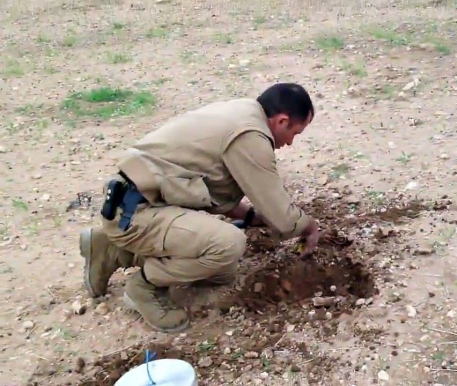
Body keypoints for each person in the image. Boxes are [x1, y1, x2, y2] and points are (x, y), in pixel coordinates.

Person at [79, 83, 321, 333]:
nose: (291, 143)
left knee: (222, 272)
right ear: (282, 121)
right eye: (296, 133)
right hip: (136, 214)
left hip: (136, 205)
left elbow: (211, 190)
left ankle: (112, 250)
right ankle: (144, 285)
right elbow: (283, 218)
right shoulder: (251, 135)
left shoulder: (241, 112)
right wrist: (308, 226)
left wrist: (250, 216)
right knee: (228, 244)